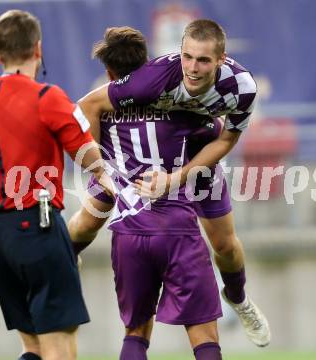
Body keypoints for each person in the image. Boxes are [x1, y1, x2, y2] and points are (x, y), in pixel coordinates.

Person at [75, 20, 271, 347]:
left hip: (196, 159)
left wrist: (178, 178)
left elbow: (228, 139)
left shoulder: (241, 88)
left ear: (221, 59)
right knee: (85, 222)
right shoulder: (150, 81)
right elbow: (88, 106)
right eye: (187, 57)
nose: (192, 68)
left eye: (203, 61)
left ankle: (238, 298)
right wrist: (101, 170)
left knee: (224, 245)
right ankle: (60, 263)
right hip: (138, 167)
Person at [0, 10, 106, 360]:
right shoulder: (47, 98)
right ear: (38, 49)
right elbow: (88, 157)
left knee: (32, 347)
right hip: (38, 225)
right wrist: (109, 179)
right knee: (59, 349)